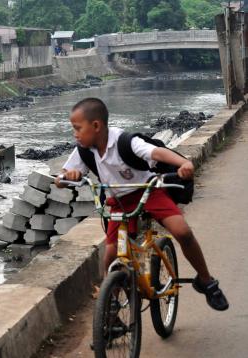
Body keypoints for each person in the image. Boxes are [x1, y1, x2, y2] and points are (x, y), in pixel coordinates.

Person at [55, 97, 229, 311]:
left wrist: (183, 162)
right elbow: (61, 178)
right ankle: (110, 311)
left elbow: (155, 153)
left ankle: (206, 281)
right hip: (119, 201)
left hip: (148, 191)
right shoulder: (84, 149)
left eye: (77, 128)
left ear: (96, 126)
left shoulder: (125, 141)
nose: (75, 134)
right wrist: (68, 176)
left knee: (182, 231)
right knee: (110, 256)